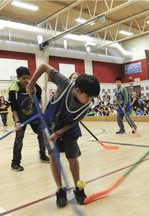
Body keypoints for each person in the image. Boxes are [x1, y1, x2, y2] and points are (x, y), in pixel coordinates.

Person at [26, 63, 100, 207]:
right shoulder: (64, 82)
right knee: (54, 157)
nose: (89, 100)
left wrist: (59, 132)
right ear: (77, 90)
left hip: (68, 129)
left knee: (72, 157)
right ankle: (60, 190)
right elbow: (43, 66)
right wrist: (31, 84)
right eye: (88, 97)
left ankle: (78, 187)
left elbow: (73, 122)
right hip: (49, 123)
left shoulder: (85, 106)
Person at [8, 66, 50, 172]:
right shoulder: (13, 90)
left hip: (34, 116)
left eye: (28, 78)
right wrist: (17, 121)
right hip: (21, 118)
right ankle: (15, 163)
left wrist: (43, 111)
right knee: (19, 139)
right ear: (18, 78)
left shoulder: (34, 86)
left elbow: (40, 99)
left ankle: (42, 154)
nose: (26, 80)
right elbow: (14, 108)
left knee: (42, 134)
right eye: (23, 78)